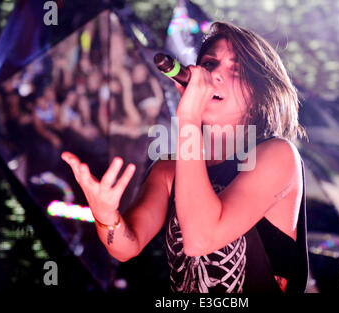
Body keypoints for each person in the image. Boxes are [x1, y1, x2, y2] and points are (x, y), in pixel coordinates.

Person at [61, 21, 308, 294]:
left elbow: (201, 239)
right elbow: (126, 246)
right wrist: (106, 216)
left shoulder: (277, 156)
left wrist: (188, 117)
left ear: (259, 93)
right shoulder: (170, 169)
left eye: (236, 69)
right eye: (209, 63)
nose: (215, 74)